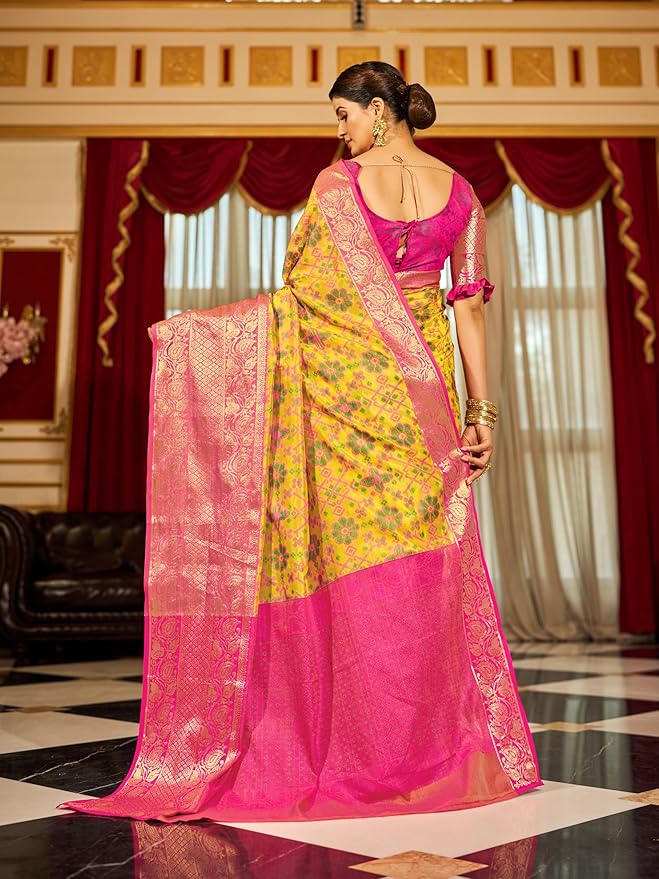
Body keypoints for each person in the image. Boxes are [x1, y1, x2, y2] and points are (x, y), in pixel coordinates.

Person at [60, 62, 541, 823]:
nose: (338, 132)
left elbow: (303, 301)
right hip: (429, 405)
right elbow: (469, 310)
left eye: (342, 115)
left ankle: (357, 752)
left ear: (377, 111)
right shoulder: (462, 193)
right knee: (422, 565)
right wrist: (481, 413)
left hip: (349, 400)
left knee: (346, 564)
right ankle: (420, 753)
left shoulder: (337, 187)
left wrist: (201, 339)